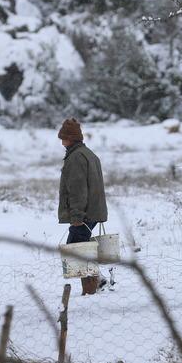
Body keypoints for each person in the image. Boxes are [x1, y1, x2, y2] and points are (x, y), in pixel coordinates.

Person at [57, 118, 108, 295]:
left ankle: (91, 289)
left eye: (64, 138)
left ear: (71, 138)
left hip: (84, 214)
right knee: (80, 247)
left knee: (77, 248)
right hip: (93, 211)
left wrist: (77, 216)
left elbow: (78, 189)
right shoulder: (88, 154)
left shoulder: (76, 158)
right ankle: (97, 281)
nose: (62, 142)